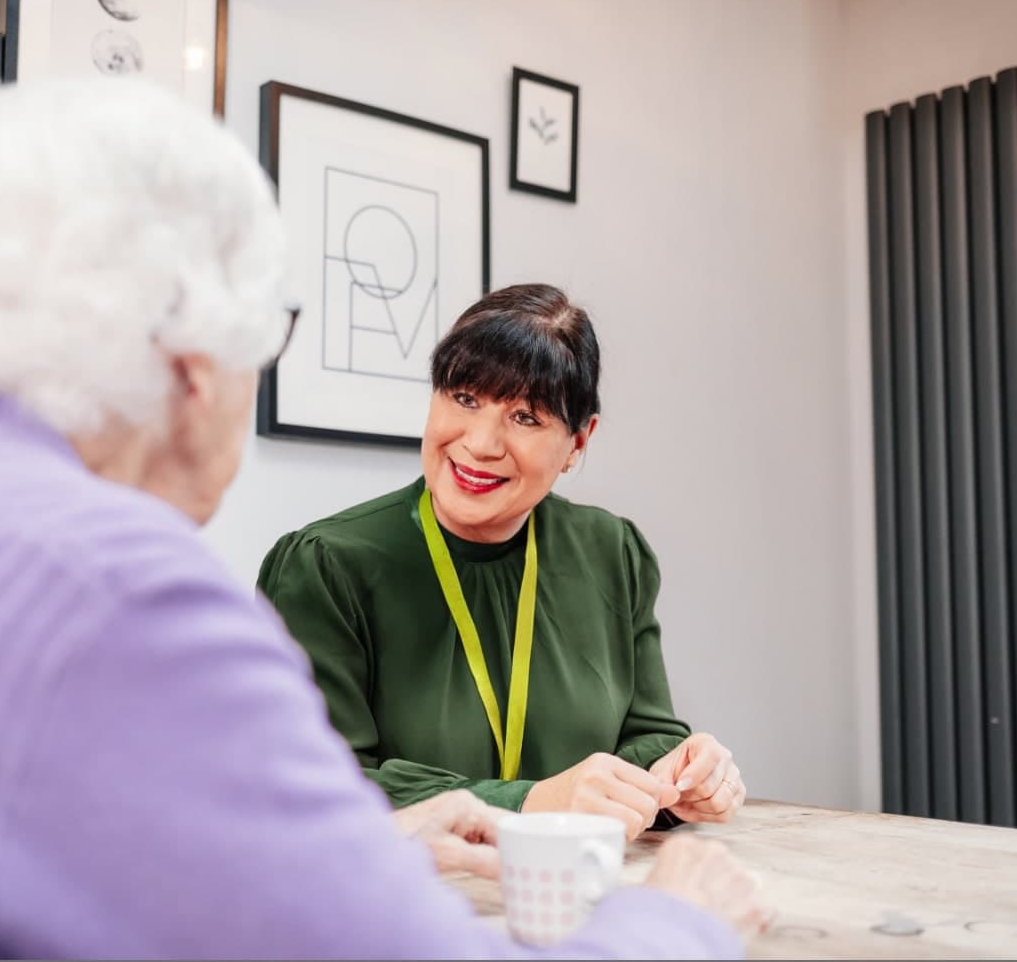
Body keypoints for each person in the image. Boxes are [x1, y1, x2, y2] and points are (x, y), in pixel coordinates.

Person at [0, 77, 769, 960]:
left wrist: (384, 840)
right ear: (194, 366)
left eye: (524, 417)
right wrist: (677, 923)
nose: (482, 441)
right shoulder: (125, 594)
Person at [258, 284, 747, 842]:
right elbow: (317, 784)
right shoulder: (324, 567)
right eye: (464, 398)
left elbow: (650, 736)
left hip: (582, 896)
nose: (482, 443)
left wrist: (684, 776)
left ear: (579, 442)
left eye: (526, 417)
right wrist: (529, 802)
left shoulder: (613, 552)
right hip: (400, 908)